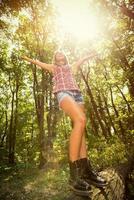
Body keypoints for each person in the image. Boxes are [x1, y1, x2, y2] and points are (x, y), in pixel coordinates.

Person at [22, 50, 107, 196]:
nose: (59, 54)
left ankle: (85, 170)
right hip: (63, 93)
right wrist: (27, 58)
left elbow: (81, 58)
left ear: (65, 56)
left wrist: (90, 55)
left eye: (61, 52)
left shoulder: (71, 66)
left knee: (81, 128)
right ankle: (73, 176)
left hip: (77, 94)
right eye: (56, 53)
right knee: (80, 120)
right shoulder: (53, 68)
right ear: (55, 58)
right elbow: (38, 62)